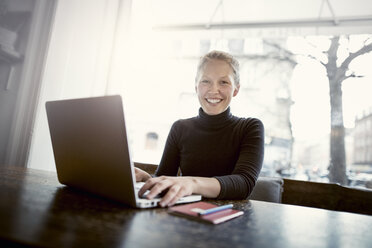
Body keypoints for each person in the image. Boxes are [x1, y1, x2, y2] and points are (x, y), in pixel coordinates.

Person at [135, 50, 264, 207]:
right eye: (206, 81)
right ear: (196, 87)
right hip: (184, 213)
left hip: (229, 218)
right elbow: (166, 178)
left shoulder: (250, 127)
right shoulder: (180, 128)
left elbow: (243, 183)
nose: (213, 90)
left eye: (223, 82)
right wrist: (146, 179)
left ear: (235, 89)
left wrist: (192, 183)